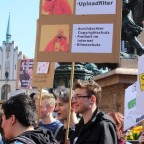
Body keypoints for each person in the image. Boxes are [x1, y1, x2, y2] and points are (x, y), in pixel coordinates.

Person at [72, 79, 118, 144]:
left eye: (78, 97)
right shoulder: (79, 126)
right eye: (73, 97)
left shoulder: (104, 125)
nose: (73, 101)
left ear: (92, 99)